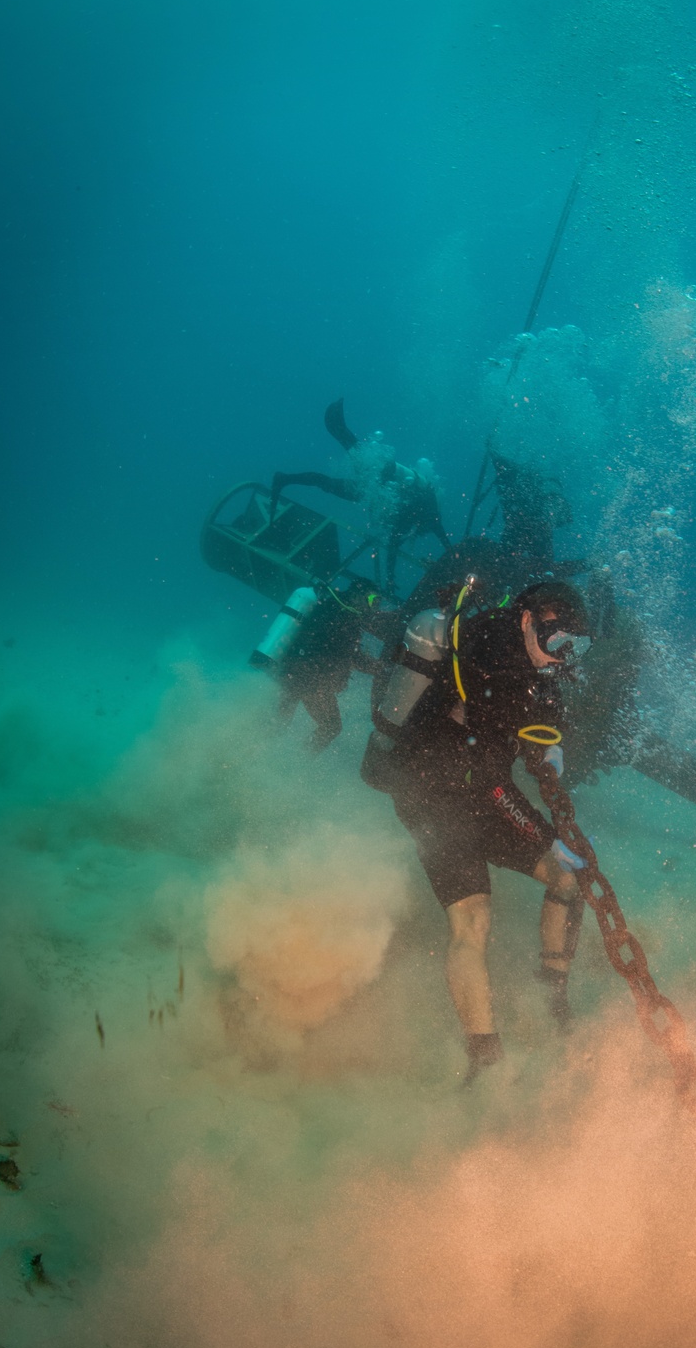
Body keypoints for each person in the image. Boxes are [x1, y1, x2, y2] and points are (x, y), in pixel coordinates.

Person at [361, 576, 593, 1079]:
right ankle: (484, 1059)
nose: (562, 656)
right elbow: (489, 778)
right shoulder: (488, 657)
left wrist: (553, 752)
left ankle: (551, 994)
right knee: (473, 923)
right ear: (529, 618)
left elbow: (542, 723)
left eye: (576, 646)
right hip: (430, 797)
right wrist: (546, 835)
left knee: (568, 882)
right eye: (558, 641)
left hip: (476, 791)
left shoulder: (532, 665)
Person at [270, 399, 450, 592]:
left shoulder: (407, 523)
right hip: (382, 475)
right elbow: (442, 538)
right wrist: (453, 553)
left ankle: (283, 479)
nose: (421, 533)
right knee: (350, 451)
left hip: (371, 490)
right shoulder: (430, 514)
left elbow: (393, 547)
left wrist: (390, 576)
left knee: (327, 482)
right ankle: (336, 423)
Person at [250, 577, 386, 751]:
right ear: (357, 595)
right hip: (309, 680)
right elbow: (351, 656)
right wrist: (381, 669)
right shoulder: (342, 616)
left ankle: (244, 753)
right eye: (372, 600)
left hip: (294, 673)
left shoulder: (332, 609)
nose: (374, 607)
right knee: (330, 726)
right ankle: (298, 763)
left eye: (378, 602)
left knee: (279, 722)